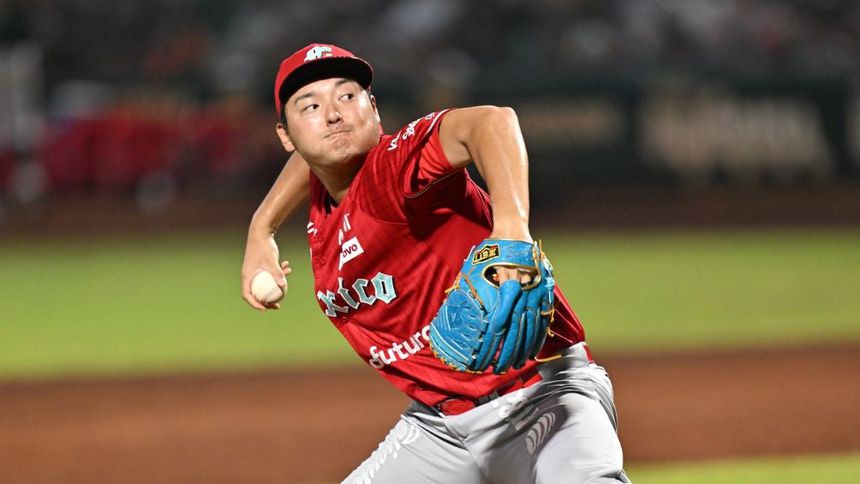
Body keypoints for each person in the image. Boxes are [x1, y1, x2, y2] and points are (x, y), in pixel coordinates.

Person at [241, 43, 630, 483]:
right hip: (441, 427)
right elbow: (311, 156)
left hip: (543, 398)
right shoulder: (324, 186)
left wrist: (511, 228)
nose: (333, 114)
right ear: (286, 136)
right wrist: (261, 229)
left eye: (347, 96)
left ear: (373, 108)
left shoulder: (394, 168)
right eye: (310, 106)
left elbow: (491, 122)